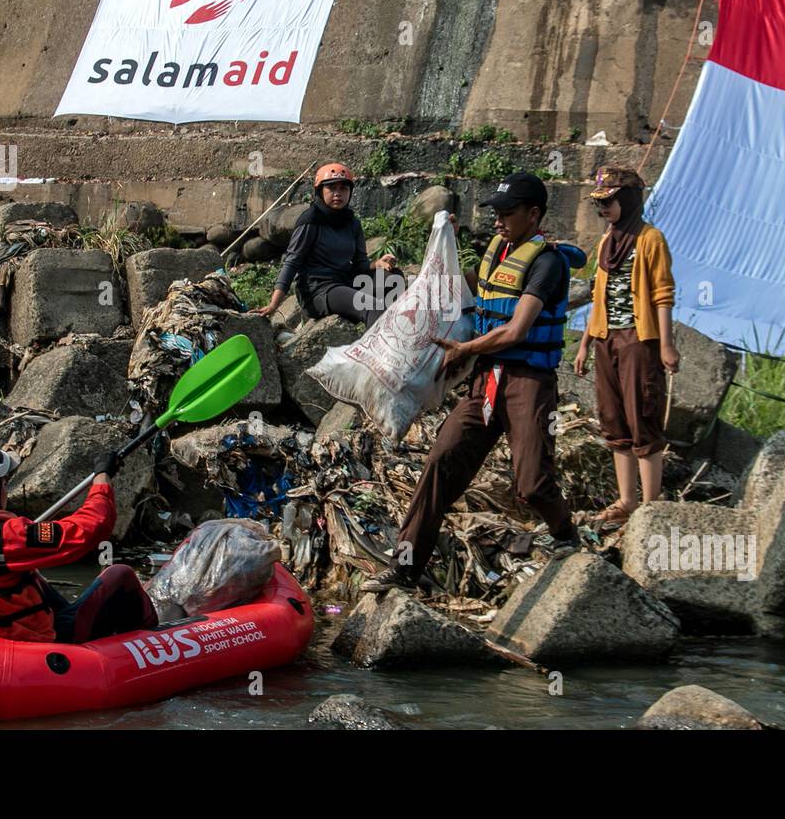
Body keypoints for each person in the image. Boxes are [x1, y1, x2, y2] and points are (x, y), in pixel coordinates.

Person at [362, 172, 586, 593]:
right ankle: (406, 566)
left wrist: (464, 351)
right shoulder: (495, 251)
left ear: (533, 214)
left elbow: (517, 330)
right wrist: (433, 261)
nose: (498, 220)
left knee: (532, 483)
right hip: (485, 382)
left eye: (507, 213)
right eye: (495, 213)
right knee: (439, 463)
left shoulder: (547, 262)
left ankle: (565, 535)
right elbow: (460, 286)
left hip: (527, 381)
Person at [0, 434, 158, 643]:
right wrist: (102, 477)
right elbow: (93, 526)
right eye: (4, 481)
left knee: (33, 578)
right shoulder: (0, 537)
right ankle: (155, 642)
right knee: (120, 575)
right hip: (20, 642)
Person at [573, 166, 679, 525]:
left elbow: (663, 295)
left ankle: (651, 507)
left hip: (638, 339)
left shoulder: (651, 240)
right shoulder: (607, 242)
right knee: (613, 418)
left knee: (642, 417)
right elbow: (598, 296)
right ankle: (626, 501)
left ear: (630, 200)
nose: (603, 209)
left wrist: (666, 346)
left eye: (609, 202)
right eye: (599, 203)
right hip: (606, 338)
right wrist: (585, 344)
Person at [251, 162, 401, 326]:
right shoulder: (310, 221)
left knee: (393, 279)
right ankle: (376, 349)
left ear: (350, 192)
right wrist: (274, 304)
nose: (338, 194)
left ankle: (394, 332)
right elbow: (292, 262)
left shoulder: (352, 223)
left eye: (343, 188)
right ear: (320, 191)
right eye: (331, 188)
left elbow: (360, 265)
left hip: (345, 281)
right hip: (318, 290)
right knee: (372, 307)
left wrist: (377, 264)